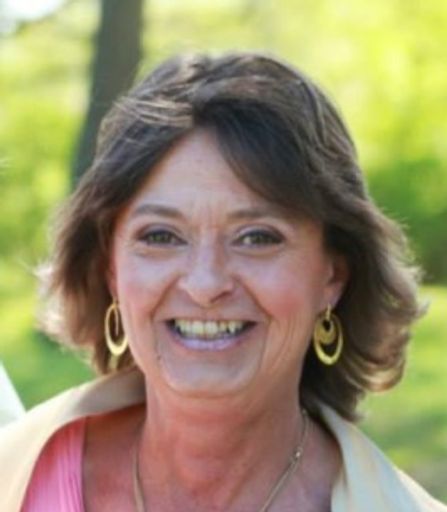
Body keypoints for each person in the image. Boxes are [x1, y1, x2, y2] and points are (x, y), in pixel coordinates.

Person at [0, 51, 445, 512]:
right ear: (109, 267)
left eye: (257, 238)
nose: (205, 284)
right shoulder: (14, 479)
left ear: (333, 274)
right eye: (161, 236)